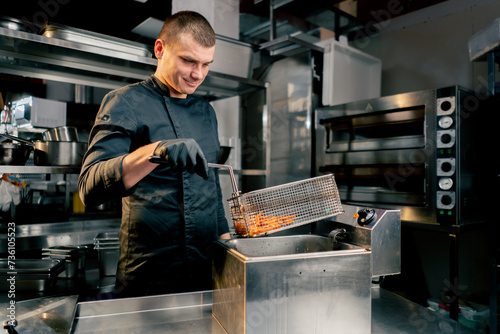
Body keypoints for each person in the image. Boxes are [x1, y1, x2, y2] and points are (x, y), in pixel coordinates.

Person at [78, 10, 231, 298]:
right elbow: (89, 187)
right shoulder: (124, 102)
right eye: (188, 60)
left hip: (204, 271)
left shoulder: (207, 112)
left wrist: (229, 246)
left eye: (206, 64)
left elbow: (212, 188)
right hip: (148, 275)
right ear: (160, 49)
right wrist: (155, 151)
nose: (197, 74)